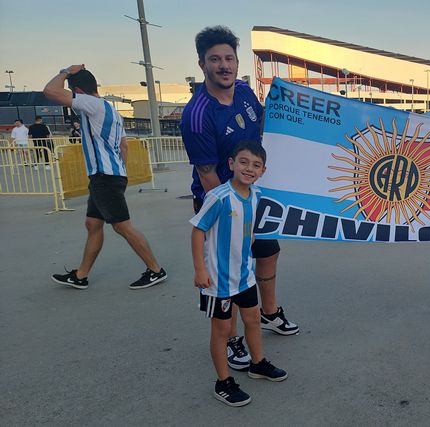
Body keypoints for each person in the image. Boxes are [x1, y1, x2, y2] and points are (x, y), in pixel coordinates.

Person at [181, 26, 299, 373]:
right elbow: (207, 176)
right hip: (222, 205)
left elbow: (267, 125)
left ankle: (268, 312)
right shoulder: (198, 114)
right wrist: (232, 214)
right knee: (229, 273)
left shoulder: (246, 91)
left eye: (229, 58)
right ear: (202, 64)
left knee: (268, 253)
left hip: (251, 198)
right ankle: (232, 338)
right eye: (215, 59)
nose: (224, 65)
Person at [43, 65, 167, 290]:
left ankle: (156, 270)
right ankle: (81, 275)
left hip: (105, 177)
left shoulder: (90, 104)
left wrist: (64, 71)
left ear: (78, 90)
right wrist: (122, 171)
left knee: (122, 227)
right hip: (111, 175)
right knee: (93, 224)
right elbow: (123, 145)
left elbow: (51, 91)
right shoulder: (111, 111)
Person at [192, 140, 288, 407]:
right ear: (232, 164)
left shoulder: (255, 196)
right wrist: (200, 269)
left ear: (263, 171)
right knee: (222, 330)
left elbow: (249, 228)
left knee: (253, 320)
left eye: (256, 165)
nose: (249, 168)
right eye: (244, 162)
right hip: (218, 280)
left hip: (244, 276)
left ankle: (258, 364)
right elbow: (198, 230)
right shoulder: (218, 197)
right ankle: (223, 382)